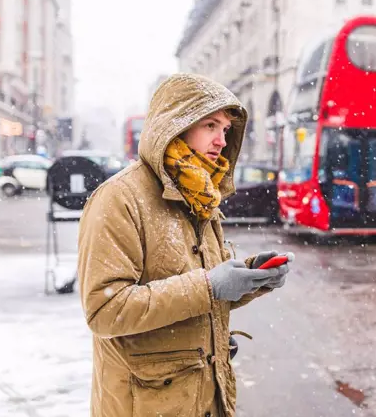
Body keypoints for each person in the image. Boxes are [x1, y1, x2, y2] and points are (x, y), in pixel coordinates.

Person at [77, 73, 291, 417]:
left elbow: (204, 292)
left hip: (203, 398)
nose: (221, 140)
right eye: (210, 125)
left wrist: (252, 277)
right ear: (175, 125)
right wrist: (211, 286)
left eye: (225, 130)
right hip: (146, 405)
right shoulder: (120, 198)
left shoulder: (201, 195)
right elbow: (106, 311)